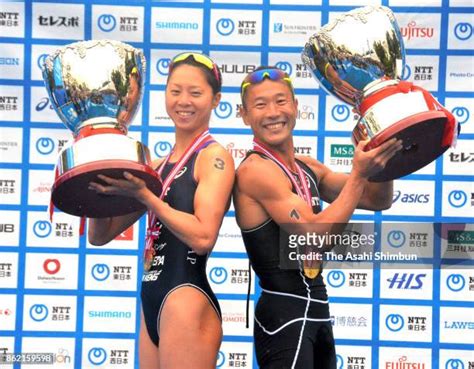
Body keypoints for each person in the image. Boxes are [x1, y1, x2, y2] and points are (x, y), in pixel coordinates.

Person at [233, 66, 402, 369]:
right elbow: (313, 237)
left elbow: (378, 199)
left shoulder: (307, 167)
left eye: (281, 101)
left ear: (296, 106)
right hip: (284, 317)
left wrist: (382, 149)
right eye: (260, 105)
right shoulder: (254, 171)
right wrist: (359, 174)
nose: (273, 112)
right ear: (244, 115)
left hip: (318, 310)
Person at [87, 53, 234, 369]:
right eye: (175, 91)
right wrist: (94, 177)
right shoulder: (155, 168)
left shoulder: (214, 157)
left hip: (186, 296)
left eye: (195, 93)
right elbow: (99, 236)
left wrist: (147, 197)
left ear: (215, 99)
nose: (184, 101)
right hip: (150, 298)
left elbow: (204, 236)